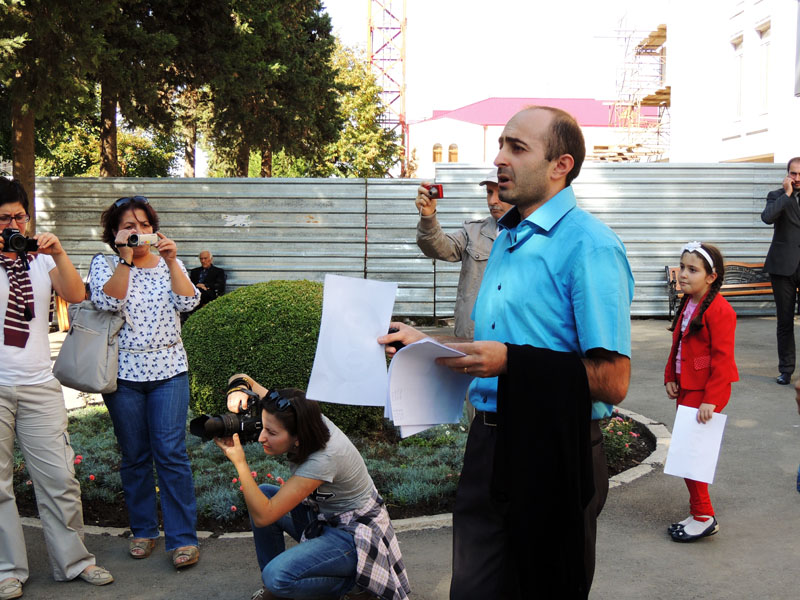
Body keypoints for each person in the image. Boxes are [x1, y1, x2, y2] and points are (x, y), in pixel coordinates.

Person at [380, 106, 634, 599]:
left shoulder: (591, 247)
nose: (500, 159)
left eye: (517, 148)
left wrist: (513, 364)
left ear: (561, 164)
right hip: (488, 444)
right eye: (501, 145)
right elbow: (491, 348)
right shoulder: (505, 238)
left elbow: (613, 379)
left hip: (555, 451)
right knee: (472, 589)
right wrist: (427, 341)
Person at [0, 178, 113, 599]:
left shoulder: (41, 259)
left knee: (60, 478)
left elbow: (77, 294)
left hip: (39, 385)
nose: (14, 224)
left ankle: (75, 562)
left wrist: (59, 252)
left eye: (19, 216)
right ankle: (7, 569)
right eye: (4, 218)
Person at [215, 374, 410, 600]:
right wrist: (238, 389)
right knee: (266, 492)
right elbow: (243, 378)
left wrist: (240, 462)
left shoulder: (323, 459)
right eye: (263, 427)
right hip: (323, 518)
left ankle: (356, 586)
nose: (261, 437)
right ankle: (275, 594)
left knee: (277, 576)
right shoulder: (300, 415)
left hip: (354, 534)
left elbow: (264, 516)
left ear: (297, 438)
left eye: (271, 432)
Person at [89, 196, 201, 568]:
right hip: (123, 376)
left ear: (155, 229)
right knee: (135, 456)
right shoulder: (104, 263)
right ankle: (144, 530)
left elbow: (188, 304)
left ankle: (183, 538)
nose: (139, 232)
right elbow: (107, 303)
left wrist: (171, 261)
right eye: (129, 226)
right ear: (115, 232)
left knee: (171, 454)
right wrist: (125, 259)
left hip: (169, 371)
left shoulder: (172, 263)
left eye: (145, 225)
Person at [664, 242, 738, 542]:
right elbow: (679, 343)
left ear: (711, 277)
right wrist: (671, 375)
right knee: (687, 455)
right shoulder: (689, 303)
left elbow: (722, 360)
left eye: (692, 269)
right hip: (688, 388)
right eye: (682, 267)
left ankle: (704, 516)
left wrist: (711, 399)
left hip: (704, 393)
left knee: (692, 457)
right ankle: (698, 512)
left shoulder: (720, 310)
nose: (683, 274)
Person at [415, 169, 512, 339]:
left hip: (512, 341)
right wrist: (428, 216)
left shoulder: (533, 235)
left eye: (500, 192)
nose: (492, 201)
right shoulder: (473, 231)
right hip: (472, 338)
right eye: (489, 192)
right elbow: (438, 246)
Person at [761, 157, 800, 385]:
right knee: (784, 321)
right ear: (787, 174)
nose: (796, 179)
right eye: (793, 174)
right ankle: (786, 370)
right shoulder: (776, 196)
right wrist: (786, 195)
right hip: (782, 266)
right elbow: (767, 218)